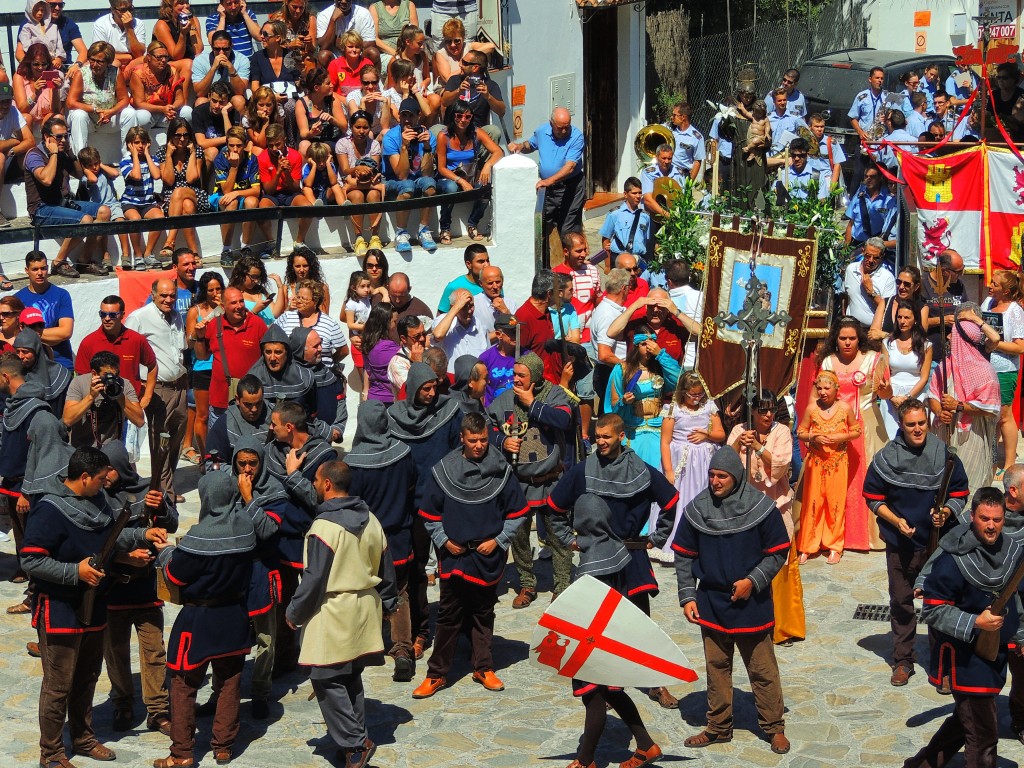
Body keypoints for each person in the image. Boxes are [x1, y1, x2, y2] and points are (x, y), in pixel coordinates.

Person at [22, 445, 167, 768]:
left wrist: (144, 533)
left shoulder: (97, 501)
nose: (106, 484)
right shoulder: (48, 510)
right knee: (59, 686)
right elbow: (31, 560)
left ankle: (84, 737)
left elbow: (110, 539)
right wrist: (75, 572)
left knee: (87, 677)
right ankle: (52, 752)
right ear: (84, 476)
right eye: (101, 478)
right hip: (60, 608)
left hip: (94, 606)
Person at [547, 413, 681, 712]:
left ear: (622, 436)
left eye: (607, 436)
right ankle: (607, 686)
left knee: (641, 625)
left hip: (632, 555)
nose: (601, 441)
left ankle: (655, 682)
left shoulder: (641, 470)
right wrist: (569, 539)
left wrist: (657, 538)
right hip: (596, 556)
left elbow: (670, 501)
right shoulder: (583, 471)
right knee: (599, 626)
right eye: (597, 436)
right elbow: (554, 507)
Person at [674, 446, 791, 755]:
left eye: (722, 476)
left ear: (736, 477)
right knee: (717, 668)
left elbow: (778, 551)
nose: (715, 481)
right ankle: (718, 726)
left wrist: (753, 581)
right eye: (712, 475)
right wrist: (687, 595)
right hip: (711, 600)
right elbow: (684, 556)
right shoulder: (697, 509)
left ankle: (773, 727)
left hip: (750, 604)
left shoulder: (761, 508)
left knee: (762, 670)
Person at [285, 458, 397, 767]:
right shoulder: (372, 520)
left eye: (316, 481)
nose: (314, 486)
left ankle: (355, 744)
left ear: (327, 484)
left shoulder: (324, 528)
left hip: (333, 611)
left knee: (325, 677)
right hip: (365, 608)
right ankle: (353, 740)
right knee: (348, 676)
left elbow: (314, 579)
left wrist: (294, 612)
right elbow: (387, 568)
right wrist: (388, 604)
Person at [411, 411, 528, 699]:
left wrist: (499, 540)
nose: (479, 445)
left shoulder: (501, 469)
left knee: (482, 613)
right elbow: (430, 515)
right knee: (450, 616)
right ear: (462, 438)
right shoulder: (444, 469)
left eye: (484, 440)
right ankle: (437, 674)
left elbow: (517, 514)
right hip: (455, 555)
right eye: (473, 440)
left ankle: (483, 666)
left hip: (488, 556)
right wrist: (443, 540)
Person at [906, 488, 1024, 767]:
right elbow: (932, 610)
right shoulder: (952, 558)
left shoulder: (1012, 552)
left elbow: (1017, 600)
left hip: (995, 656)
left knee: (965, 721)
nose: (991, 525)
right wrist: (975, 622)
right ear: (972, 516)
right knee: (983, 737)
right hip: (963, 659)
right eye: (985, 518)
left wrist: (1020, 637)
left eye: (997, 519)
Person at [863, 398, 970, 688]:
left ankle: (942, 666)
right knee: (901, 601)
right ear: (901, 424)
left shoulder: (943, 455)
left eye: (921, 423)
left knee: (939, 604)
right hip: (901, 543)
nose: (918, 429)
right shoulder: (887, 457)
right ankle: (903, 660)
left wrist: (945, 512)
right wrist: (896, 521)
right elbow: (873, 497)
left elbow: (960, 491)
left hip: (937, 545)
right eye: (911, 424)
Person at [152, 472, 253, 768]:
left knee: (183, 686)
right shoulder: (246, 528)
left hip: (199, 620)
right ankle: (223, 745)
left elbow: (174, 574)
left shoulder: (199, 537)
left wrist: (167, 551)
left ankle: (182, 753)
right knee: (229, 682)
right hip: (234, 617)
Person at [99, 440, 176, 736]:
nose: (104, 475)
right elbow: (104, 537)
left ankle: (158, 710)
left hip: (146, 589)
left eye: (108, 469)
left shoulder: (147, 491)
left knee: (154, 651)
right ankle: (122, 702)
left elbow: (170, 523)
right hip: (114, 588)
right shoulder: (99, 498)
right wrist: (127, 557)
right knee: (115, 652)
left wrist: (163, 507)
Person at [389, 362, 463, 656]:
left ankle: (455, 628)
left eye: (435, 387)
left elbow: (459, 452)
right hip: (414, 505)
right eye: (426, 388)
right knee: (417, 568)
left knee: (453, 568)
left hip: (445, 500)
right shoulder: (395, 418)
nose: (432, 393)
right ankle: (421, 632)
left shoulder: (449, 411)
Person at [487, 352, 574, 606]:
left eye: (521, 375)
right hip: (519, 483)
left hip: (551, 481)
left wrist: (532, 403)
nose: (515, 379)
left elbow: (563, 420)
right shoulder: (505, 399)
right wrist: (502, 441)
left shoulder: (555, 394)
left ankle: (562, 586)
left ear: (535, 377)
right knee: (519, 536)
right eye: (514, 374)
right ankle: (527, 584)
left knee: (558, 536)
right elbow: (487, 426)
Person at [346, 401, 418, 682]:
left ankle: (361, 650)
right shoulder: (403, 453)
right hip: (400, 539)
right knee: (399, 593)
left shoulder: (354, 463)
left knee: (363, 594)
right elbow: (411, 486)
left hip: (367, 543)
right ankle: (402, 650)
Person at [819, 317, 891, 550]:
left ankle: (866, 535)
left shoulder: (874, 360)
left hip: (867, 425)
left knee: (866, 476)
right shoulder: (828, 362)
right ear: (836, 340)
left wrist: (885, 390)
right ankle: (833, 533)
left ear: (859, 338)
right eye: (843, 338)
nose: (848, 342)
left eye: (852, 338)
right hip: (833, 424)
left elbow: (887, 395)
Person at [125, 279, 191, 503]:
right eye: (163, 295)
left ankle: (166, 485)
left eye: (172, 295)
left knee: (176, 438)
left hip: (180, 384)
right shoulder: (139, 317)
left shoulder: (176, 316)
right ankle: (164, 493)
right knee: (160, 438)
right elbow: (128, 351)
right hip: (158, 388)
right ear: (153, 294)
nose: (168, 300)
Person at [24, 118, 111, 278]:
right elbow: (46, 179)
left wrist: (69, 153)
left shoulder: (64, 153)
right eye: (58, 137)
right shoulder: (33, 155)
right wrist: (54, 153)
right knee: (85, 219)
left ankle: (85, 260)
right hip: (41, 208)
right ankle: (58, 262)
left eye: (66, 135)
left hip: (63, 204)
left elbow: (80, 174)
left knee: (104, 211)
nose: (63, 140)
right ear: (46, 137)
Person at [928, 303, 1001, 492]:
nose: (949, 336)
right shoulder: (945, 366)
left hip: (973, 436)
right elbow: (933, 395)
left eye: (954, 333)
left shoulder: (986, 371)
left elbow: (989, 408)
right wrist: (939, 410)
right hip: (945, 433)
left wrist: (958, 406)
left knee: (969, 480)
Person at [658, 372, 724, 564]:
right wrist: (669, 470)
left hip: (703, 461)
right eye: (693, 395)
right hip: (682, 463)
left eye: (700, 395)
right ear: (683, 392)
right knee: (680, 501)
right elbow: (665, 441)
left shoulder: (708, 407)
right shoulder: (673, 410)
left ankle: (703, 544)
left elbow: (721, 434)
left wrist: (707, 434)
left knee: (701, 498)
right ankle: (676, 545)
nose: (697, 399)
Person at [795, 370, 860, 564]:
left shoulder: (845, 408)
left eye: (827, 388)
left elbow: (856, 430)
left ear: (836, 388)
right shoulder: (811, 409)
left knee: (835, 503)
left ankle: (834, 546)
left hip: (838, 462)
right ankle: (807, 546)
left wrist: (842, 437)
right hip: (815, 462)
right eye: (819, 388)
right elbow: (800, 432)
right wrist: (813, 437)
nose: (823, 392)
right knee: (812, 502)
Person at [605, 323, 681, 474]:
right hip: (633, 430)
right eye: (643, 344)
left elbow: (680, 380)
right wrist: (623, 402)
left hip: (658, 428)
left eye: (651, 343)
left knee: (658, 472)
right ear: (635, 345)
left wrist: (661, 354)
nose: (648, 348)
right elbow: (612, 404)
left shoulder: (660, 366)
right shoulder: (622, 369)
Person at [509, 108, 586, 235]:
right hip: (550, 190)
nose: (564, 131)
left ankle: (571, 253)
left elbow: (570, 167)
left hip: (571, 187)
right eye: (560, 128)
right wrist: (520, 146)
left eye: (567, 127)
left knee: (568, 228)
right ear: (551, 124)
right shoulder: (542, 131)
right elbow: (531, 145)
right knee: (547, 226)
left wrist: (547, 181)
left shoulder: (577, 137)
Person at [978, 269, 1024, 481]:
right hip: (984, 366)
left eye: (995, 284)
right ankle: (990, 460)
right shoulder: (988, 303)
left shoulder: (1015, 311)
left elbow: (1020, 347)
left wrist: (995, 344)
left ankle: (1008, 464)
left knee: (1004, 416)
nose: (990, 285)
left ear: (1006, 290)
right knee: (989, 414)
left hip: (1005, 369)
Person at [435, 100, 501, 244]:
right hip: (449, 177)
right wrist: (460, 181)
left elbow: (498, 152)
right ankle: (445, 228)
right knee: (451, 188)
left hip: (470, 174)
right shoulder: (444, 136)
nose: (463, 120)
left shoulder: (477, 133)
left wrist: (487, 165)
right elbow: (441, 168)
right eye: (459, 116)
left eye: (467, 117)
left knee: (485, 187)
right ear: (453, 116)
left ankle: (473, 223)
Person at [382, 96, 439, 254]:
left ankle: (424, 231)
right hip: (392, 180)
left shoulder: (428, 136)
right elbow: (401, 175)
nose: (407, 120)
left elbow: (427, 173)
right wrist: (405, 147)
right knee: (407, 185)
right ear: (399, 116)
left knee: (430, 185)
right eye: (404, 115)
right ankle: (401, 233)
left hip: (418, 178)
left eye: (411, 116)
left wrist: (427, 148)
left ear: (418, 116)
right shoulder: (391, 137)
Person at [63, 350, 144, 448]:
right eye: (107, 376)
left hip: (112, 447)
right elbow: (67, 420)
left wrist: (120, 396)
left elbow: (139, 421)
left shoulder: (124, 384)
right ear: (94, 373)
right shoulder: (79, 383)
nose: (112, 379)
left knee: (117, 455)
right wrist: (91, 396)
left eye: (116, 375)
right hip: (82, 447)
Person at [258, 124, 316, 256]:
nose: (274, 148)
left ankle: (299, 243)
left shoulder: (295, 156)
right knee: (260, 211)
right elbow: (268, 190)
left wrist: (288, 173)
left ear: (284, 139)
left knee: (308, 208)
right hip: (273, 195)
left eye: (278, 144)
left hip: (291, 193)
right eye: (270, 145)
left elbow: (295, 187)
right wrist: (278, 172)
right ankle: (270, 243)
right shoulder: (262, 158)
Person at [65, 42, 128, 158]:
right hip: (89, 118)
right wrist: (94, 109)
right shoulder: (82, 73)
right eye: (92, 60)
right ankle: (82, 158)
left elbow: (124, 99)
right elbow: (70, 102)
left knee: (130, 113)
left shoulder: (116, 72)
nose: (94, 64)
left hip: (109, 117)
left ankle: (128, 156)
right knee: (78, 115)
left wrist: (110, 112)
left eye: (99, 61)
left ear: (108, 62)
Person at [337, 109, 385, 255]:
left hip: (368, 181)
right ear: (351, 127)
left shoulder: (374, 145)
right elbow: (345, 170)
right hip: (350, 182)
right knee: (357, 196)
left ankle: (375, 237)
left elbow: (374, 169)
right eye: (358, 127)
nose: (362, 131)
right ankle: (358, 238)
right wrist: (360, 168)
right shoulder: (342, 143)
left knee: (373, 196)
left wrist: (364, 173)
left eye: (365, 127)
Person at [16, 252, 74, 366]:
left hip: (61, 362)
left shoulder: (61, 295)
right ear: (27, 270)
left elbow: (66, 332)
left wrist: (30, 335)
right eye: (35, 269)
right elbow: (17, 335)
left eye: (43, 268)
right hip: (31, 364)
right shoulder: (18, 299)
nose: (40, 273)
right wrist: (53, 336)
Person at [274, 279, 349, 367]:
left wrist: (326, 363)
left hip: (320, 377)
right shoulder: (286, 317)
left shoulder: (329, 323)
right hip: (293, 375)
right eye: (298, 297)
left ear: (315, 301)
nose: (299, 301)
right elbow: (271, 336)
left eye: (303, 298)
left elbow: (344, 351)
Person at [204, 374, 269, 466]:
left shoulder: (276, 418)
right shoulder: (224, 424)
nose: (254, 409)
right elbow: (211, 466)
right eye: (248, 405)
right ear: (237, 399)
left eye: (258, 403)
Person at [439, 47, 505, 137]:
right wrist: (458, 91)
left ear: (475, 68)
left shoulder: (490, 85)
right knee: (436, 129)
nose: (460, 65)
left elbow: (501, 111)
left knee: (494, 131)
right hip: (453, 129)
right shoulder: (455, 80)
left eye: (464, 63)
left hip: (477, 131)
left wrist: (488, 97)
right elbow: (444, 102)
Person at [590, 267, 630, 409]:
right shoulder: (607, 314)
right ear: (624, 288)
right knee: (612, 417)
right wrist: (627, 367)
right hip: (611, 372)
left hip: (612, 371)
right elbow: (604, 354)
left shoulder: (611, 309)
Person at [515, 270, 563, 385]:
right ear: (549, 294)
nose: (560, 295)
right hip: (536, 386)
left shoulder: (546, 312)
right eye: (558, 291)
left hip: (551, 382)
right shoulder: (524, 317)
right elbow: (518, 357)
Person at [844, 161, 898, 251]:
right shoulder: (859, 194)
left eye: (872, 177)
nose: (868, 179)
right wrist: (846, 247)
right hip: (856, 243)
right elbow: (851, 223)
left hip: (875, 245)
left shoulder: (889, 199)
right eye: (866, 176)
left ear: (880, 177)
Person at [295, 65, 347, 157]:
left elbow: (344, 127)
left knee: (319, 151)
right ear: (316, 88)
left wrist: (332, 120)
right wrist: (311, 133)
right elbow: (303, 134)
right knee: (303, 146)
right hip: (312, 142)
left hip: (331, 141)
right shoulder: (303, 103)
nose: (332, 85)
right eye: (328, 83)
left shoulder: (332, 99)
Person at [192, 29, 248, 114]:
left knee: (239, 100)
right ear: (212, 47)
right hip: (211, 100)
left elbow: (240, 91)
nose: (221, 53)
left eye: (225, 49)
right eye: (217, 49)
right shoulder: (200, 61)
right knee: (200, 101)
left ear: (231, 46)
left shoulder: (242, 60)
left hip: (230, 101)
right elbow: (199, 92)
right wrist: (213, 69)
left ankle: (238, 127)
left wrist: (231, 69)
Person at [844, 237, 896, 328]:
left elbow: (889, 310)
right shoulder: (851, 269)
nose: (871, 260)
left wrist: (871, 292)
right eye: (868, 255)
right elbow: (844, 296)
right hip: (851, 328)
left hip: (872, 331)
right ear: (863, 251)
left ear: (882, 257)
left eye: (876, 257)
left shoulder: (887, 278)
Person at [13, 42, 65, 132]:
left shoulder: (51, 76)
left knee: (57, 117)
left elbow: (56, 110)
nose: (40, 68)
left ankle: (50, 144)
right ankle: (28, 144)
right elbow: (22, 109)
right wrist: (35, 94)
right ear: (29, 63)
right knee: (26, 117)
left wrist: (55, 90)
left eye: (44, 64)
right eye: (36, 64)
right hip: (27, 120)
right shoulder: (20, 77)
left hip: (44, 119)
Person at [152, 0, 204, 86]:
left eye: (187, 2)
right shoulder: (162, 25)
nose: (186, 6)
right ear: (170, 5)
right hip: (164, 63)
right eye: (181, 3)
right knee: (188, 63)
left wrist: (192, 27)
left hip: (185, 61)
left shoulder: (193, 19)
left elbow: (198, 50)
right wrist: (182, 34)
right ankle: (182, 98)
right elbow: (175, 56)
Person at [603, 176, 652, 260]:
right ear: (625, 194)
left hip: (639, 258)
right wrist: (607, 266)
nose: (638, 196)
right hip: (619, 257)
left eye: (640, 193)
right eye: (634, 193)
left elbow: (646, 240)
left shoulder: (645, 216)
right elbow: (605, 240)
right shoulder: (615, 214)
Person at [432, 16, 494, 82]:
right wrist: (465, 66)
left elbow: (491, 46)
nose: (453, 45)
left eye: (457, 41)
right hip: (449, 89)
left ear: (463, 38)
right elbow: (448, 79)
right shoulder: (441, 54)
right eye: (448, 41)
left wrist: (469, 57)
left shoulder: (469, 46)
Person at [361, 302, 399, 403]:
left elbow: (367, 370)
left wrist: (365, 391)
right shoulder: (387, 347)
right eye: (394, 321)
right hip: (389, 397)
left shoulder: (369, 342)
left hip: (374, 395)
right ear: (386, 322)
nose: (396, 325)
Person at [93, 0, 148, 67]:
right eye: (122, 10)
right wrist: (129, 56)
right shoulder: (101, 24)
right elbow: (100, 55)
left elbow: (139, 54)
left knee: (143, 63)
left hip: (132, 66)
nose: (128, 13)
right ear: (112, 9)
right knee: (115, 63)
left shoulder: (138, 24)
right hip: (110, 66)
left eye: (130, 8)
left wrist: (129, 28)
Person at [369, 0, 418, 71]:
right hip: (386, 53)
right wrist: (397, 54)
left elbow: (415, 34)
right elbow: (375, 39)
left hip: (408, 51)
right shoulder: (374, 8)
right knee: (396, 65)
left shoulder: (409, 5)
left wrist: (406, 53)